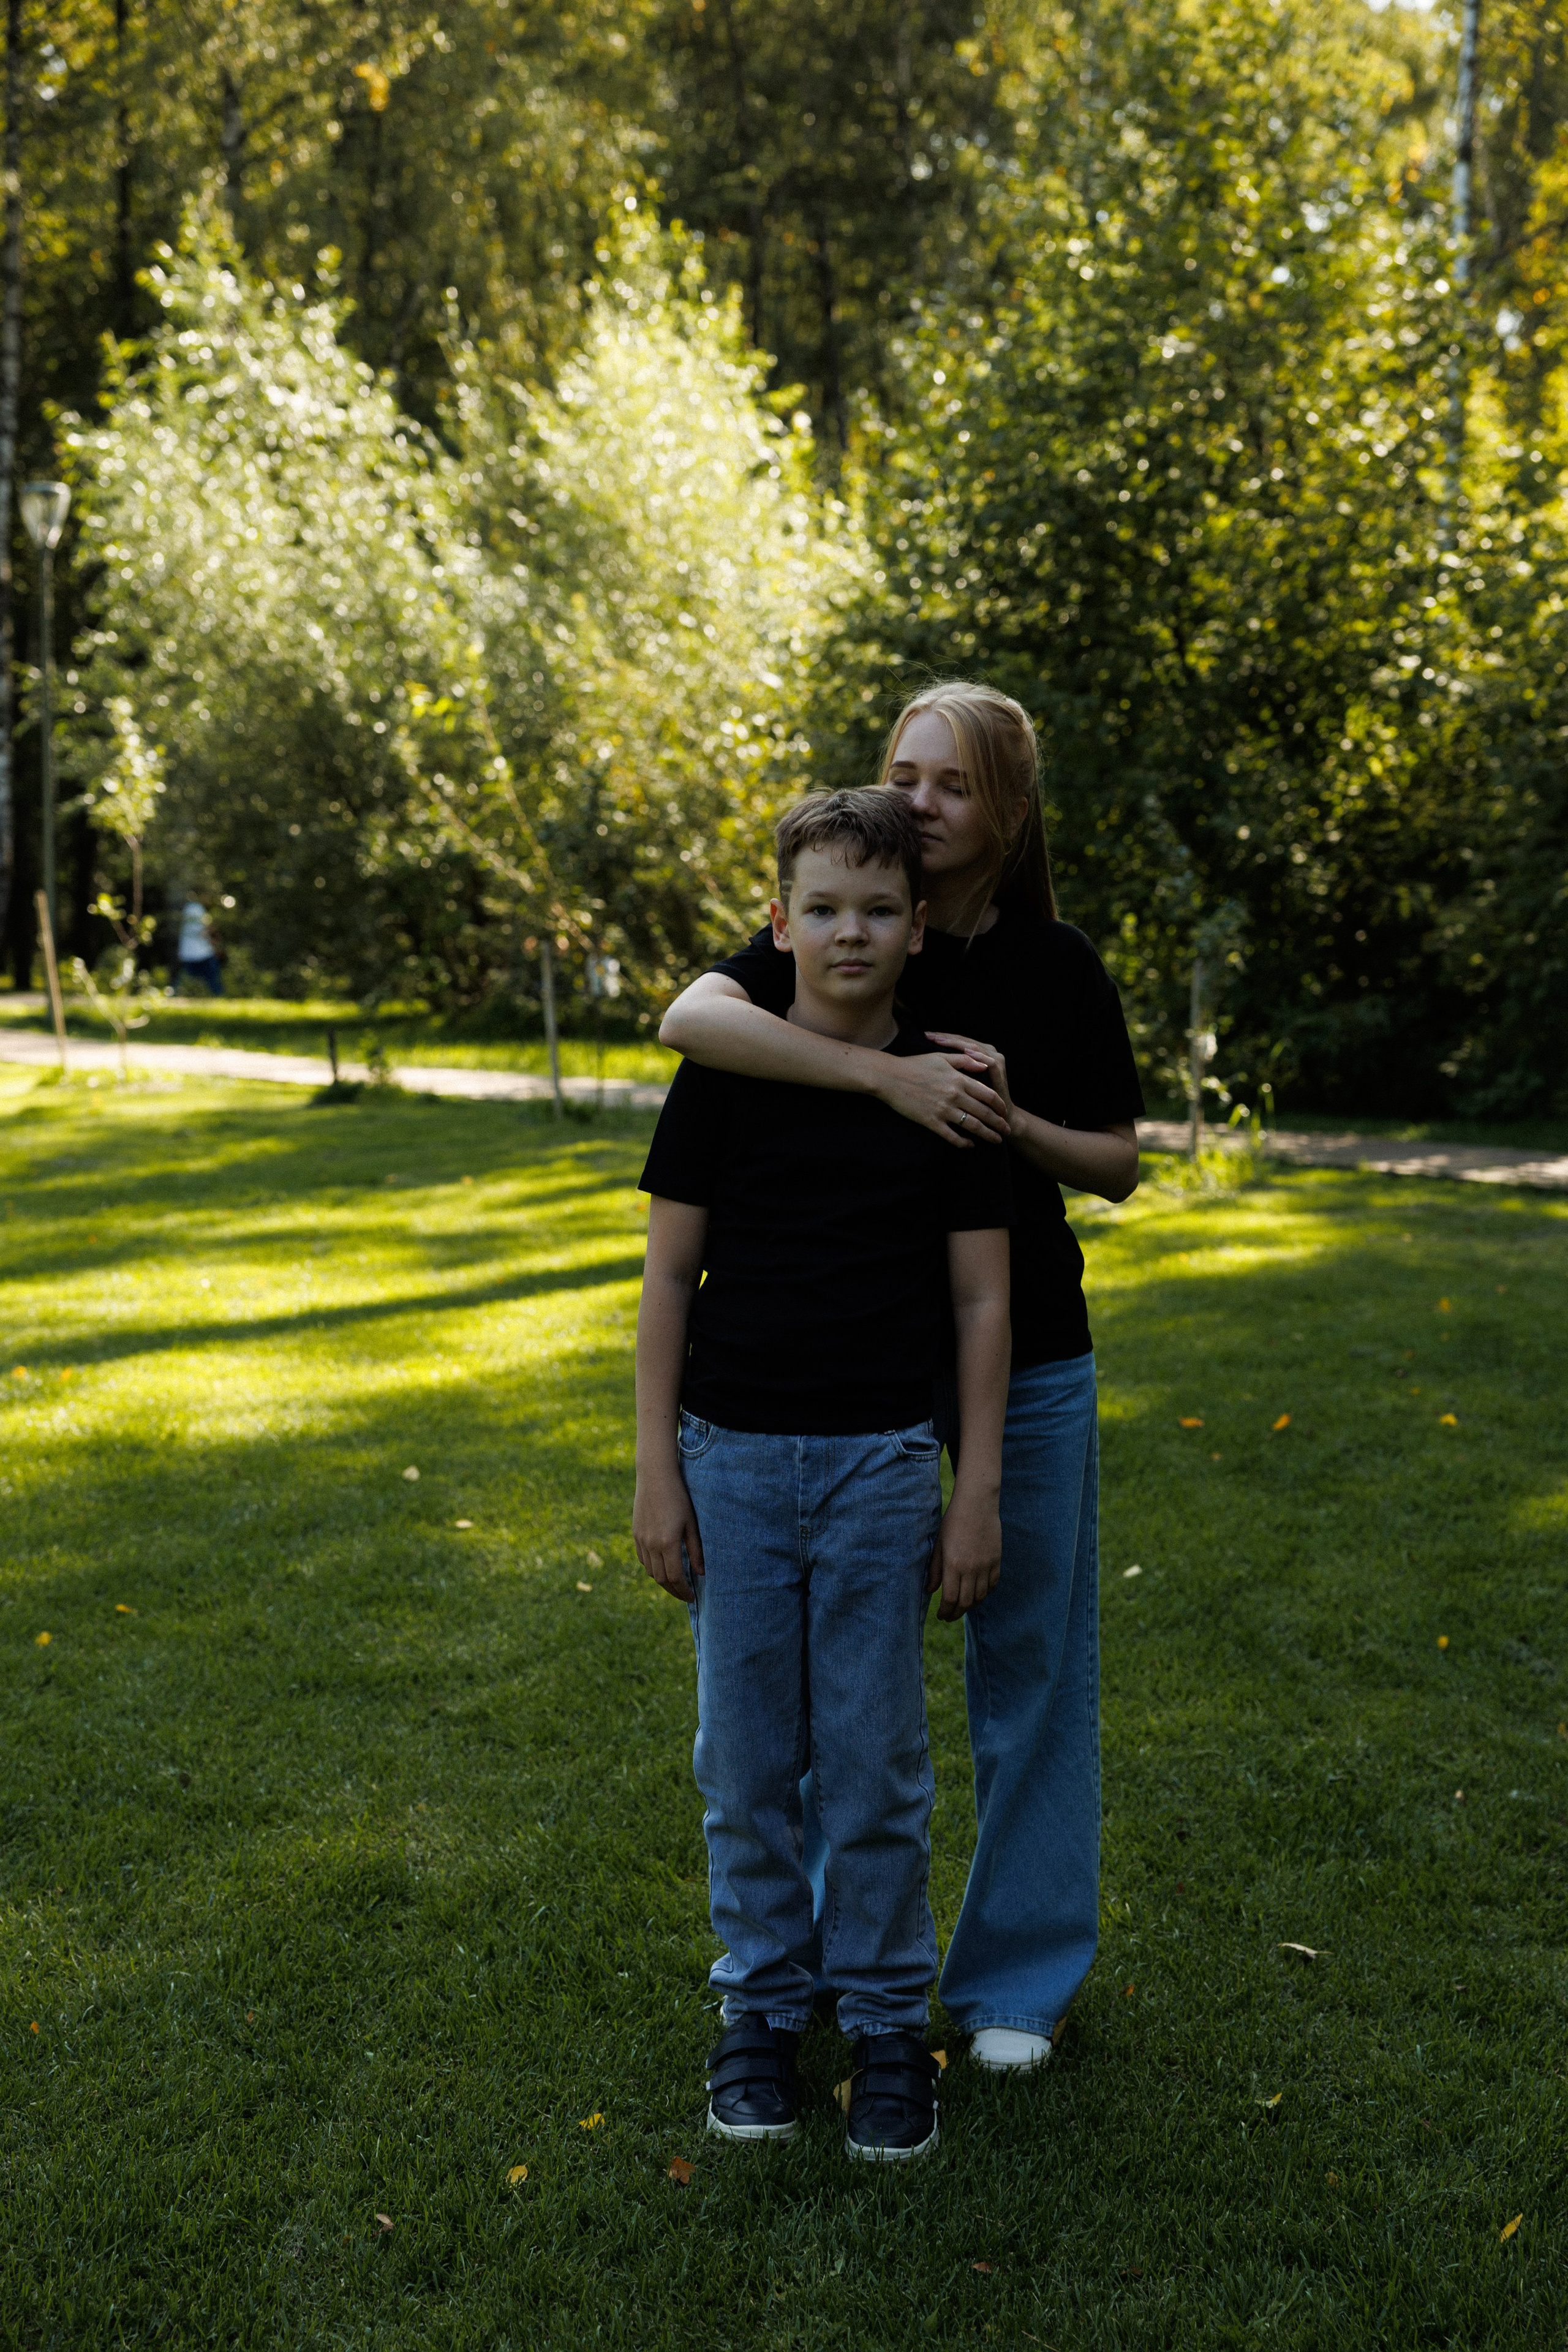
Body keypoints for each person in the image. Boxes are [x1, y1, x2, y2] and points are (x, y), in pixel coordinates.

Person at [659, 680, 1145, 2072]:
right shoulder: (858, 909)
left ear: (1005, 813)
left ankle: (1011, 1978)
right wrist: (882, 1081)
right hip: (845, 1356)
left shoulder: (1054, 966)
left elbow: (1114, 1161)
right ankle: (810, 1956)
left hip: (1023, 1339)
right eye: (901, 771)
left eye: (947, 785)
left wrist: (1003, 1113)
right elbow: (692, 1017)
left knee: (1030, 1660)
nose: (918, 803)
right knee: (826, 1675)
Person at [633, 787, 1012, 2161]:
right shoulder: (726, 1078)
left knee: (872, 1762)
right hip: (725, 1461)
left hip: (879, 1469)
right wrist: (653, 1474)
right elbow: (668, 1280)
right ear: (777, 921)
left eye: (878, 910)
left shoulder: (951, 1094)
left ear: (917, 930)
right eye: (823, 909)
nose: (849, 933)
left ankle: (880, 2024)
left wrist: (971, 1491)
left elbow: (981, 1308)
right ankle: (760, 2008)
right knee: (744, 1760)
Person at [176, 896, 224, 995]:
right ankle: (218, 995)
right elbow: (202, 931)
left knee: (187, 979)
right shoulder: (196, 909)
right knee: (212, 978)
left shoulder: (189, 910)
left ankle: (178, 993)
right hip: (200, 954)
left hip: (190, 954)